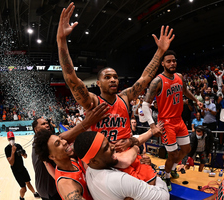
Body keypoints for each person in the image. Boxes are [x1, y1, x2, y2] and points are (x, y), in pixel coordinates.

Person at [57, 2, 173, 184]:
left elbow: (145, 78)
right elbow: (71, 78)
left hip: (129, 155)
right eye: (108, 77)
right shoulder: (92, 102)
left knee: (152, 188)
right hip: (103, 161)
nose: (113, 80)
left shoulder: (125, 97)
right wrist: (61, 40)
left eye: (115, 77)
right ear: (98, 83)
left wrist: (159, 52)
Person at [142, 50, 203, 191]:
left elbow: (185, 91)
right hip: (166, 122)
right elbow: (145, 105)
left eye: (174, 60)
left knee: (186, 148)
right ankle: (167, 176)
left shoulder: (179, 77)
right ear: (162, 63)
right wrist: (152, 126)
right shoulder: (157, 81)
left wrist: (195, 100)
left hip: (179, 120)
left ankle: (173, 168)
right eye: (168, 61)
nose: (172, 63)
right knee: (173, 153)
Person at [31, 103, 109, 200]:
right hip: (48, 190)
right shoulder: (39, 146)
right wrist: (61, 183)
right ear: (36, 129)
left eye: (47, 122)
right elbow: (49, 167)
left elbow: (69, 139)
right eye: (43, 124)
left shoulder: (70, 160)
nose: (47, 124)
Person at [74, 131, 170, 200]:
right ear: (94, 161)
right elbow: (163, 197)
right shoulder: (119, 180)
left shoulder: (90, 170)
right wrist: (156, 176)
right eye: (106, 148)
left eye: (109, 142)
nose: (113, 147)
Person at [4, 131, 40, 200]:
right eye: (10, 138)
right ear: (8, 139)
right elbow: (11, 163)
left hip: (22, 168)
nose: (12, 139)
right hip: (16, 171)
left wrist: (23, 154)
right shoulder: (7, 149)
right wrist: (13, 152)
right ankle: (21, 198)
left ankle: (35, 193)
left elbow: (26, 156)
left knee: (28, 182)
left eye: (12, 138)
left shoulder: (18, 146)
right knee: (24, 188)